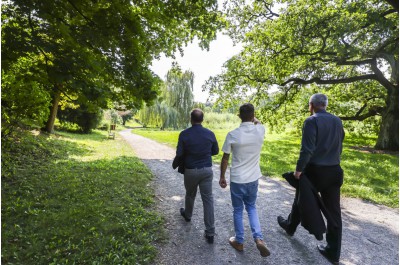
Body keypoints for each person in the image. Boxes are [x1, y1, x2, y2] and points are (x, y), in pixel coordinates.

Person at [277, 93, 345, 265]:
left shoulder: (311, 121)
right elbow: (340, 144)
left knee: (302, 197)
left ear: (311, 105)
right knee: (334, 212)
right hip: (334, 170)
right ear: (325, 105)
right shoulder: (337, 121)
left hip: (315, 170)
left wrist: (299, 170)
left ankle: (290, 226)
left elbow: (307, 149)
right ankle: (333, 252)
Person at [219, 103, 270, 257]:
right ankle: (258, 238)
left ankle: (239, 241)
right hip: (253, 177)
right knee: (251, 207)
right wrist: (254, 118)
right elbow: (259, 123)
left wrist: (222, 176)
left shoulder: (232, 134)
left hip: (238, 179)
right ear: (253, 115)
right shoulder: (260, 130)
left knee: (238, 210)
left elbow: (225, 158)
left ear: (239, 116)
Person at [173, 108, 219, 243]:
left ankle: (187, 215)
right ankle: (210, 233)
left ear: (191, 119)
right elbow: (215, 151)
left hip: (191, 170)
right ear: (202, 119)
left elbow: (180, 153)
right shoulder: (210, 134)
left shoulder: (184, 134)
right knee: (208, 200)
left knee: (190, 194)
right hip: (206, 170)